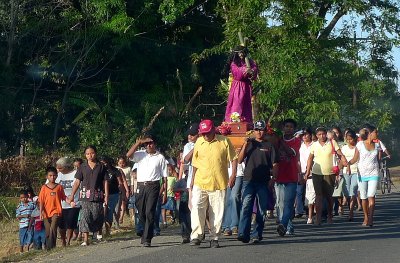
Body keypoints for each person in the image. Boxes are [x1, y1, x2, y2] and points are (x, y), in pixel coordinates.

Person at [189, 119, 237, 248]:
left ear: (213, 130)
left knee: (216, 211)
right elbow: (195, 163)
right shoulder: (199, 142)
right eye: (203, 133)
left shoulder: (224, 141)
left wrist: (233, 175)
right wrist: (192, 181)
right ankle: (196, 235)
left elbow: (233, 159)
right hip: (200, 181)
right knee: (197, 208)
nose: (205, 136)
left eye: (207, 133)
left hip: (218, 182)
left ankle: (214, 237)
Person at [237, 120, 278, 243]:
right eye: (256, 129)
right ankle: (243, 233)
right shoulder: (250, 144)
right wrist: (245, 144)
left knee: (261, 209)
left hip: (263, 181)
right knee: (246, 206)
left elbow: (275, 164)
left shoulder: (269, 145)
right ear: (253, 131)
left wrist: (273, 179)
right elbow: (239, 160)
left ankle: (257, 234)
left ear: (264, 131)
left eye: (261, 129)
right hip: (248, 180)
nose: (258, 132)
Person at [126, 134, 168, 247]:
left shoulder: (160, 157)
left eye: (151, 143)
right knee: (141, 212)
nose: (149, 145)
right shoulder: (140, 154)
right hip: (141, 186)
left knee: (150, 212)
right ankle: (146, 232)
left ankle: (147, 238)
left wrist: (165, 192)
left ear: (155, 144)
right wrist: (138, 143)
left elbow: (164, 177)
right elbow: (128, 155)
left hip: (153, 186)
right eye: (146, 144)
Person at [305, 127, 347, 225]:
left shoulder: (332, 142)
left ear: (326, 134)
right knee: (318, 196)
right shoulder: (314, 145)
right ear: (316, 136)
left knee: (329, 196)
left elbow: (340, 153)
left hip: (330, 173)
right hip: (316, 173)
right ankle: (318, 218)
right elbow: (310, 158)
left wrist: (344, 160)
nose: (322, 136)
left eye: (323, 134)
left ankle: (330, 216)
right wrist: (307, 172)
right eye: (319, 134)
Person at [68, 145, 109, 246]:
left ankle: (98, 231)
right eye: (87, 154)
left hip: (98, 195)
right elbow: (77, 181)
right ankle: (86, 239)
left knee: (97, 215)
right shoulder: (82, 167)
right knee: (85, 216)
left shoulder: (101, 166)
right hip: (85, 195)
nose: (90, 155)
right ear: (85, 155)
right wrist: (72, 195)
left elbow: (105, 181)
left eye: (92, 153)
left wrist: (106, 195)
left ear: (96, 153)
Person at [275, 119, 302, 236]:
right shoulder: (277, 141)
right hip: (279, 176)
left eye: (291, 127)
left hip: (291, 176)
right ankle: (287, 226)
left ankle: (284, 224)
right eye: (286, 126)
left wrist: (280, 141)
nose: (289, 128)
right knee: (280, 203)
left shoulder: (296, 141)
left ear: (294, 129)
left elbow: (291, 153)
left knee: (288, 203)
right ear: (283, 128)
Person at [350, 125, 380, 226]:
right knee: (363, 197)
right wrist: (346, 163)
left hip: (374, 173)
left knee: (371, 195)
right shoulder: (360, 145)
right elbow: (355, 159)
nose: (377, 134)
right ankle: (366, 217)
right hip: (362, 174)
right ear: (370, 133)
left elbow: (378, 159)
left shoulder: (377, 145)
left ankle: (371, 218)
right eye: (376, 132)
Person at [39, 166, 71, 250]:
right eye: (50, 175)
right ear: (47, 177)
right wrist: (41, 212)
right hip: (46, 212)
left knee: (53, 228)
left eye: (54, 175)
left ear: (56, 176)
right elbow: (41, 201)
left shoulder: (59, 187)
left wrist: (70, 202)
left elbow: (64, 197)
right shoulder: (44, 188)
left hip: (56, 211)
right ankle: (48, 245)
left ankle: (51, 247)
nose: (52, 177)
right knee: (48, 231)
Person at [224, 46, 258, 123]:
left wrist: (252, 71)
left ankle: (246, 122)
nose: (241, 54)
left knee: (246, 105)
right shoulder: (234, 63)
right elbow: (238, 75)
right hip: (238, 87)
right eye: (239, 53)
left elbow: (254, 70)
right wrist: (245, 69)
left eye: (242, 52)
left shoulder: (250, 62)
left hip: (246, 87)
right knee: (237, 104)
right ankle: (234, 122)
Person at [55, 157, 80, 246]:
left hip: (74, 203)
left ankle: (68, 241)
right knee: (61, 225)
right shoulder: (57, 175)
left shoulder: (76, 173)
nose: (58, 169)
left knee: (70, 223)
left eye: (60, 168)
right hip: (60, 204)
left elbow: (78, 184)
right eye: (57, 167)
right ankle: (63, 241)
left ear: (66, 166)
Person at [100, 156, 129, 236]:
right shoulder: (100, 171)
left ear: (108, 162)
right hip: (103, 194)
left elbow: (120, 183)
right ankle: (103, 228)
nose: (103, 164)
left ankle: (109, 229)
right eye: (102, 163)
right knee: (104, 211)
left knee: (113, 211)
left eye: (104, 163)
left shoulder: (115, 171)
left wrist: (123, 193)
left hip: (114, 194)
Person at [222, 150, 244, 237]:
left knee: (234, 197)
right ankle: (226, 226)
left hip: (238, 173)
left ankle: (235, 225)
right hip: (224, 174)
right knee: (226, 200)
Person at [341, 130, 359, 221]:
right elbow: (341, 160)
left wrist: (348, 164)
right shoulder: (343, 148)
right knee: (346, 192)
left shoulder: (358, 147)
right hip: (345, 172)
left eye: (350, 139)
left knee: (353, 190)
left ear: (354, 138)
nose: (349, 141)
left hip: (356, 171)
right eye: (347, 139)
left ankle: (351, 212)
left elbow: (356, 159)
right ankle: (349, 207)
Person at [299, 128, 314, 224]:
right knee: (299, 193)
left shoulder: (314, 145)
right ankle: (300, 211)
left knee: (311, 194)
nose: (304, 136)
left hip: (312, 173)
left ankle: (310, 216)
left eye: (306, 134)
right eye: (303, 135)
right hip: (301, 172)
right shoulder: (300, 145)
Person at [161, 163, 178, 227]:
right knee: (163, 208)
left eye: (170, 170)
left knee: (171, 209)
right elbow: (163, 185)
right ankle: (164, 222)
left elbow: (177, 183)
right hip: (164, 194)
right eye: (167, 170)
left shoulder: (174, 176)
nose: (168, 171)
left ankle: (173, 217)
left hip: (171, 195)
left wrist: (174, 188)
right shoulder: (164, 177)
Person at [117, 156, 132, 224]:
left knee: (124, 202)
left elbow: (131, 178)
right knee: (118, 203)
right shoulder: (116, 169)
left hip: (127, 186)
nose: (122, 164)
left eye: (123, 163)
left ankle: (122, 216)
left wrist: (130, 188)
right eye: (120, 163)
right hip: (118, 187)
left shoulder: (128, 169)